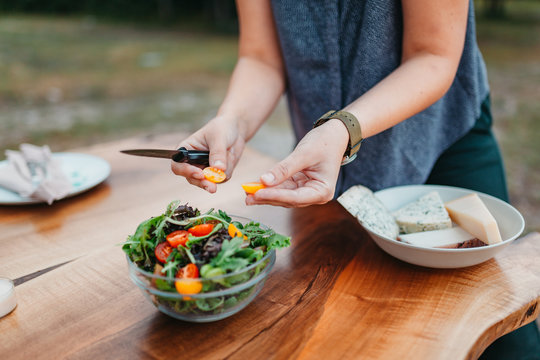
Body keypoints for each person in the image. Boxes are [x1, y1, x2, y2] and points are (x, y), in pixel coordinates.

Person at [171, 0, 540, 357]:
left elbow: (433, 55)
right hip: (323, 165)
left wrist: (341, 129)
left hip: (444, 142)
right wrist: (233, 119)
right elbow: (261, 57)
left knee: (505, 340)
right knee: (349, 335)